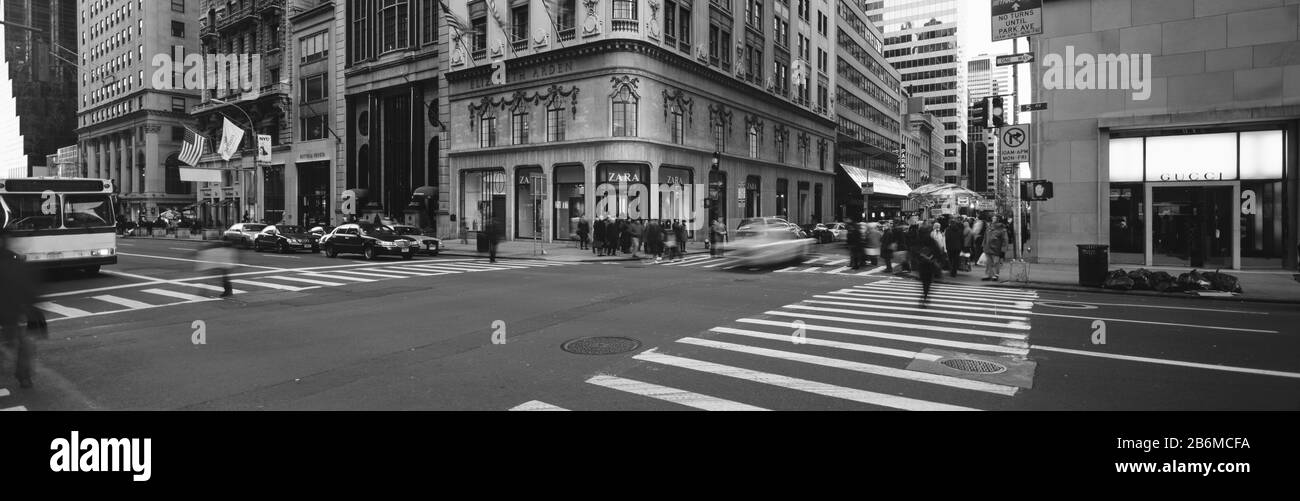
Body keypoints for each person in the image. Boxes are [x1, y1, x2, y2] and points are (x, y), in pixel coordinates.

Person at [0, 230, 40, 388]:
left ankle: (23, 375)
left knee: (23, 343)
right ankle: (23, 376)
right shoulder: (14, 261)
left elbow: (26, 287)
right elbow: (27, 287)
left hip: (10, 311)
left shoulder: (13, 260)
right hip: (11, 311)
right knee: (24, 344)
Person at [914, 230, 946, 308]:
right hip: (930, 265)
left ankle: (924, 295)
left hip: (922, 265)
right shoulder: (933, 242)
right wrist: (940, 262)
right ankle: (925, 296)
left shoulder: (919, 242)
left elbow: (914, 252)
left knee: (924, 282)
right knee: (928, 283)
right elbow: (938, 253)